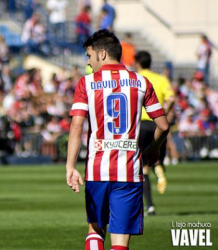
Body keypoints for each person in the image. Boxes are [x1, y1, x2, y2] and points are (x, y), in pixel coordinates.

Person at [66, 30, 169, 250]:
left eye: (89, 55)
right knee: (120, 241)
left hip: (97, 170)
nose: (88, 61)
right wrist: (154, 148)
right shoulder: (141, 82)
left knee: (95, 229)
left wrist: (70, 166)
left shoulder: (86, 83)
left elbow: (76, 127)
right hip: (129, 172)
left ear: (102, 54)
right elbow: (163, 126)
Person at [135, 51, 175, 215]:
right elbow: (172, 98)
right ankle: (159, 168)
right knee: (156, 153)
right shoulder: (161, 79)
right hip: (158, 123)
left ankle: (150, 206)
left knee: (142, 166)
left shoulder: (135, 78)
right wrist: (164, 112)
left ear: (137, 63)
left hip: (141, 125)